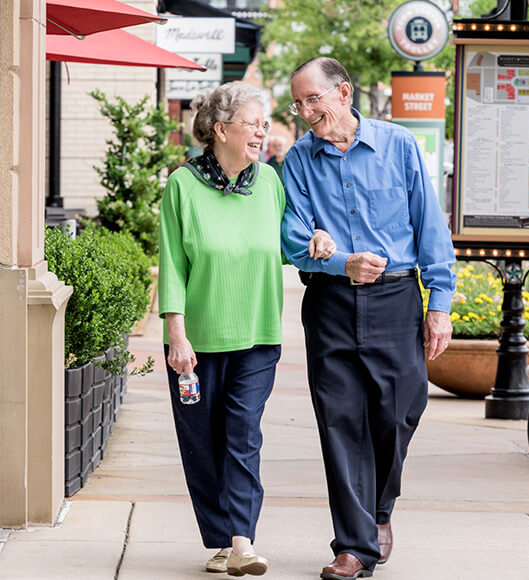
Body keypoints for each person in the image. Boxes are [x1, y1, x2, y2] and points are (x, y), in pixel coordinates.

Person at [280, 58, 456, 580]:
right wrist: (336, 259)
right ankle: (354, 545)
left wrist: (439, 305)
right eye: (299, 103)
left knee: (400, 410)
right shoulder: (298, 160)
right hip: (331, 303)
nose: (307, 111)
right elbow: (293, 237)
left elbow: (430, 226)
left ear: (344, 92)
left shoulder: (398, 145)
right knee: (340, 422)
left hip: (397, 299)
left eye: (314, 99)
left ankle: (378, 513)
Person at [158, 81, 336, 577]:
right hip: (197, 339)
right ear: (221, 129)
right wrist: (176, 332)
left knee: (243, 434)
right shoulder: (183, 185)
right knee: (201, 440)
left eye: (264, 124)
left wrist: (316, 237)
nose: (263, 132)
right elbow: (172, 263)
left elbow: (290, 241)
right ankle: (220, 539)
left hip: (258, 337)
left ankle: (241, 540)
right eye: (253, 124)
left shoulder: (270, 183)